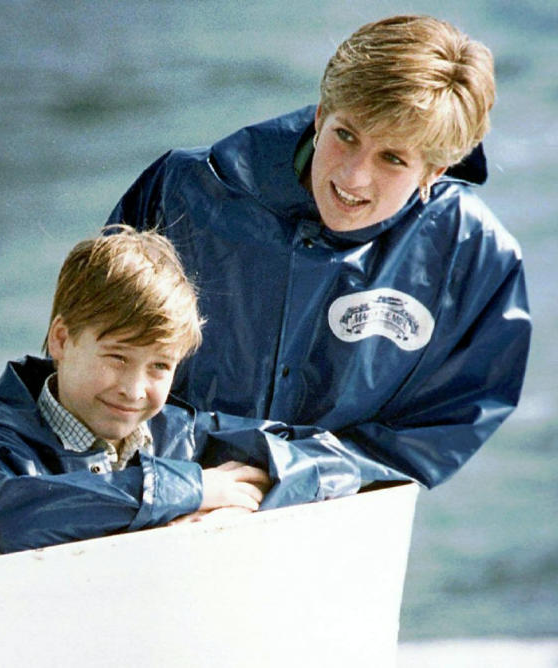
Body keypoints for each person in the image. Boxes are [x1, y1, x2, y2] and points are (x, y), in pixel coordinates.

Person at [106, 15, 531, 496]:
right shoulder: (184, 190)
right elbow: (96, 353)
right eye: (345, 135)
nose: (352, 178)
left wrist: (298, 471)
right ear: (320, 114)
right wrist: (190, 479)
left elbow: (446, 423)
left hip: (334, 516)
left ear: (434, 169)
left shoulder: (474, 255)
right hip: (162, 492)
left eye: (392, 158)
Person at [0, 226, 358, 557]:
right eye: (116, 358)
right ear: (61, 339)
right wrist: (191, 489)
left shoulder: (181, 437)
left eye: (159, 366)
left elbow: (336, 463)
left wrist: (233, 509)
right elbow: (10, 521)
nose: (133, 390)